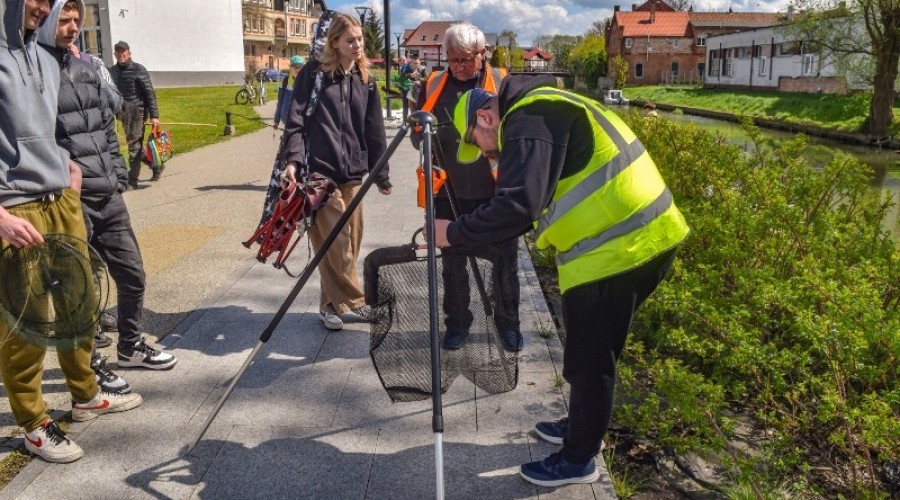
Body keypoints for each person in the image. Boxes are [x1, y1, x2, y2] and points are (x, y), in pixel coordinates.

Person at [434, 77, 690, 486]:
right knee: (590, 351)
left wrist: (452, 233)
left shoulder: (528, 119)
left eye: (477, 142)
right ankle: (582, 425)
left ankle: (578, 460)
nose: (484, 153)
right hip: (631, 241)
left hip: (622, 248)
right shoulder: (543, 109)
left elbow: (518, 206)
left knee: (592, 359)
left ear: (485, 117)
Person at [0, 0, 143, 464]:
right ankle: (34, 422)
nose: (42, 8)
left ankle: (84, 395)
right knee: (26, 323)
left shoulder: (43, 57)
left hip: (62, 197)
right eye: (34, 1)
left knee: (78, 306)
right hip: (15, 207)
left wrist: (69, 171)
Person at [38, 0, 177, 374]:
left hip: (108, 194)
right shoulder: (35, 72)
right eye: (63, 21)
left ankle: (130, 346)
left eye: (76, 21)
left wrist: (117, 175)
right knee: (79, 290)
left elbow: (106, 127)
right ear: (48, 22)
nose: (71, 28)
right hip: (70, 201)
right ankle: (89, 366)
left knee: (133, 275)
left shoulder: (87, 69)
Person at [412, 22, 522, 352]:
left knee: (505, 261)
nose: (458, 67)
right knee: (452, 263)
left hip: (496, 190)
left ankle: (508, 323)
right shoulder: (433, 83)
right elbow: (416, 129)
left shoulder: (502, 83)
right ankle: (458, 322)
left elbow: (518, 132)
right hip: (447, 189)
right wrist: (425, 139)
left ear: (482, 54)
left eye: (465, 60)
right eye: (452, 59)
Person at [281, 12, 392, 331]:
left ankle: (329, 306)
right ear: (335, 43)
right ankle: (360, 301)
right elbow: (296, 122)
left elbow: (375, 131)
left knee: (351, 242)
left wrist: (381, 174)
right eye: (350, 40)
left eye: (360, 39)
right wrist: (293, 160)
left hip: (353, 173)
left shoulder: (366, 81)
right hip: (319, 174)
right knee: (337, 242)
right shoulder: (313, 76)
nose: (358, 45)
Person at [109, 40, 161, 188]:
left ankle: (132, 181)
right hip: (123, 113)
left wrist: (154, 116)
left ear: (129, 53)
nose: (121, 54)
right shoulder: (113, 71)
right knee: (134, 144)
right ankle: (156, 166)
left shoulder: (138, 69)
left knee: (134, 147)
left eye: (123, 51)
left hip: (138, 113)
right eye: (118, 52)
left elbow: (149, 94)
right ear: (115, 54)